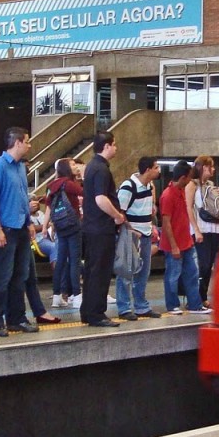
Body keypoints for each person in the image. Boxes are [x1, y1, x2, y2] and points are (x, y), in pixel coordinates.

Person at [0, 126, 38, 337]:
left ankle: (17, 319)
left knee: (20, 276)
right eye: (27, 141)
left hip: (21, 227)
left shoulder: (21, 167)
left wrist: (29, 222)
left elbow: (23, 197)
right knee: (2, 277)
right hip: (5, 229)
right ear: (17, 143)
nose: (29, 145)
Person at [80, 131, 125, 327]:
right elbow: (101, 199)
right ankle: (97, 313)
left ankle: (88, 311)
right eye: (114, 144)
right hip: (101, 228)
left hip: (91, 227)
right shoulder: (101, 169)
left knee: (92, 271)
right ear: (106, 146)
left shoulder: (91, 166)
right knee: (100, 271)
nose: (116, 148)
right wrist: (117, 215)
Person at [160, 161, 208, 315]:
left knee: (192, 273)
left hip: (186, 242)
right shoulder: (168, 195)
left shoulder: (181, 191)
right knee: (172, 276)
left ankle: (195, 304)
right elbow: (166, 223)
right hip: (174, 244)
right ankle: (172, 305)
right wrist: (174, 246)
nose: (190, 180)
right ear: (182, 178)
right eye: (188, 177)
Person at [116, 156, 161, 320]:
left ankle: (141, 306)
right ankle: (124, 308)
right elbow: (119, 212)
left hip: (146, 233)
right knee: (126, 273)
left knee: (143, 272)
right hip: (131, 234)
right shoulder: (128, 186)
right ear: (148, 169)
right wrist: (129, 229)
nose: (159, 170)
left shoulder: (149, 186)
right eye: (156, 167)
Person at [44, 158, 83, 309]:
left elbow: (48, 206)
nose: (75, 166)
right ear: (66, 168)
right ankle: (76, 296)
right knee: (74, 260)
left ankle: (57, 296)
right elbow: (85, 193)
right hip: (72, 224)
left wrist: (45, 225)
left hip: (60, 225)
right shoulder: (69, 184)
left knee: (60, 260)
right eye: (72, 164)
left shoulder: (51, 186)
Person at [187, 156, 219, 309]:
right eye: (210, 166)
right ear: (203, 167)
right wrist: (196, 230)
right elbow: (189, 208)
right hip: (200, 228)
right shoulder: (192, 185)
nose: (213, 169)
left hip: (214, 227)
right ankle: (195, 298)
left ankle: (203, 296)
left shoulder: (211, 185)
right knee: (202, 264)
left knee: (209, 265)